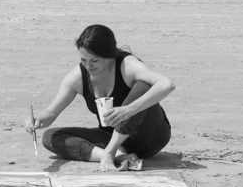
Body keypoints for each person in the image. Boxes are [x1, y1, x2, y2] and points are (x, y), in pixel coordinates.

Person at [24, 24, 174, 171]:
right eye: (83, 60)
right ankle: (116, 155)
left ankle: (110, 152)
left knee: (143, 85)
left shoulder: (127, 65)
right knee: (50, 137)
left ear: (109, 55)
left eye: (94, 61)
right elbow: (51, 112)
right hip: (111, 138)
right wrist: (38, 120)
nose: (88, 66)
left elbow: (166, 84)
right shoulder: (78, 76)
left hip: (149, 137)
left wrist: (129, 110)